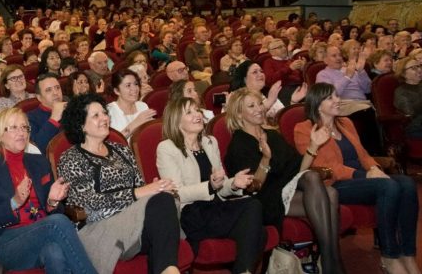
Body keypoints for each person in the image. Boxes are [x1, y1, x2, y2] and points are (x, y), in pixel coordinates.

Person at [294, 83, 420, 274]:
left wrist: (375, 168)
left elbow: (363, 155)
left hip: (363, 178)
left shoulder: (345, 123)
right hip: (337, 184)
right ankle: (389, 256)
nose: (337, 100)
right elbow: (327, 168)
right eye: (330, 98)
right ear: (317, 104)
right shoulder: (304, 129)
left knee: (408, 184)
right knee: (389, 187)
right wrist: (365, 174)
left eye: (336, 96)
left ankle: (407, 254)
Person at [225, 88, 344, 274]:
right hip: (264, 200)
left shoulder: (272, 135)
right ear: (239, 113)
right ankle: (332, 261)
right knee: (327, 191)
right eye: (251, 106)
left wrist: (313, 145)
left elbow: (299, 170)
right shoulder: (239, 144)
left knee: (330, 191)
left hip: (289, 189)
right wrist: (265, 159)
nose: (259, 109)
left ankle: (330, 261)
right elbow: (252, 187)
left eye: (259, 103)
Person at [58, 93, 181, 274]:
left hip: (135, 224)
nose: (104, 118)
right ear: (81, 125)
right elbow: (88, 204)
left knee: (163, 205)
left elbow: (139, 185)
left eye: (104, 113)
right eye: (95, 115)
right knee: (162, 208)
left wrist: (153, 188)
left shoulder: (121, 149)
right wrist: (138, 194)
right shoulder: (71, 158)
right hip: (100, 230)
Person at [0, 107, 96, 273]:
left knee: (54, 252)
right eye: (14, 127)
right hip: (5, 242)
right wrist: (14, 203)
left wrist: (52, 202)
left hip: (41, 234)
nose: (21, 132)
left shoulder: (39, 162)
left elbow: (54, 210)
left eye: (24, 127)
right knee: (57, 222)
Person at [157, 96, 264, 274]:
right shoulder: (167, 148)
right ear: (176, 121)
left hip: (216, 208)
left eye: (197, 110)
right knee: (253, 208)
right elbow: (177, 193)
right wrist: (210, 186)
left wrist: (234, 184)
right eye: (189, 112)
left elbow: (220, 184)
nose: (197, 114)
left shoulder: (209, 142)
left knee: (259, 231)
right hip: (191, 214)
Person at [230, 60, 307, 123]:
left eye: (261, 71)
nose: (260, 74)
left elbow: (284, 119)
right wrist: (269, 102)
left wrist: (293, 102)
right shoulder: (236, 98)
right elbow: (240, 122)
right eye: (255, 72)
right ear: (244, 79)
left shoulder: (267, 96)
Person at [107, 70, 156, 139]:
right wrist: (136, 122)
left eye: (136, 84)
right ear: (117, 91)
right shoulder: (109, 111)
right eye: (128, 85)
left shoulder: (142, 106)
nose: (135, 89)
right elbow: (114, 142)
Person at [27, 73, 65, 153]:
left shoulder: (71, 108)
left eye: (57, 88)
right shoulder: (30, 118)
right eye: (48, 90)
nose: (55, 93)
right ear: (39, 97)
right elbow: (36, 149)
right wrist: (54, 119)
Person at [394, 56, 422, 138]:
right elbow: (410, 114)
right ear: (403, 74)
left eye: (419, 66)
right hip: (415, 127)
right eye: (413, 68)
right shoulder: (401, 92)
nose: (420, 70)